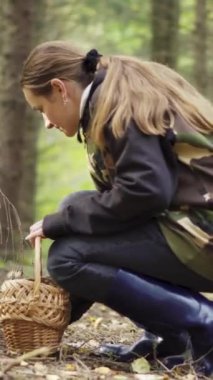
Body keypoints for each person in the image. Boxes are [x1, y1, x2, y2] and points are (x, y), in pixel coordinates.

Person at [21, 41, 213, 376]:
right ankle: (169, 339)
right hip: (193, 226)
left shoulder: (117, 105)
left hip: (203, 233)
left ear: (59, 88)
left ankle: (203, 328)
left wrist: (61, 223)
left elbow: (145, 193)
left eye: (41, 109)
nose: (47, 123)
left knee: (68, 256)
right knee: (75, 209)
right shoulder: (116, 89)